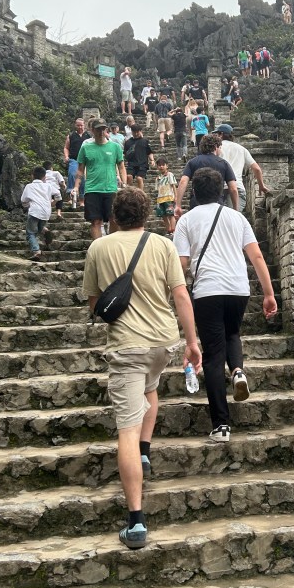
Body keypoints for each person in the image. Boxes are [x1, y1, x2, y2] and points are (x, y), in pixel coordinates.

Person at [82, 186, 201, 549]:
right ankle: (145, 453)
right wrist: (192, 342)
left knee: (126, 431)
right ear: (147, 214)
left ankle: (135, 521)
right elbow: (180, 294)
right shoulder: (163, 245)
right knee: (151, 388)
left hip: (127, 346)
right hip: (162, 343)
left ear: (114, 216)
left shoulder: (98, 247)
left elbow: (94, 303)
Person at [173, 167, 277, 442]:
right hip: (238, 289)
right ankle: (238, 370)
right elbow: (256, 256)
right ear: (221, 191)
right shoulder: (237, 217)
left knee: (213, 357)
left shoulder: (186, 221)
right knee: (232, 333)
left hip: (207, 291)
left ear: (194, 192)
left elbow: (181, 263)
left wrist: (172, 291)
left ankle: (221, 425)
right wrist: (269, 294)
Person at [74, 119, 126, 240]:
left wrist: (124, 184)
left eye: (103, 129)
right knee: (95, 221)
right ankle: (98, 247)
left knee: (114, 219)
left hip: (110, 189)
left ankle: (111, 245)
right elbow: (80, 169)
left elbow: (121, 167)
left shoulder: (115, 147)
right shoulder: (86, 148)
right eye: (98, 129)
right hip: (92, 189)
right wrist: (76, 187)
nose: (101, 132)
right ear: (92, 130)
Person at [175, 134, 239, 216]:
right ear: (215, 147)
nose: (220, 150)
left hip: (196, 203)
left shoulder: (192, 162)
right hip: (217, 204)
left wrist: (178, 205)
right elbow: (233, 188)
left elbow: (183, 182)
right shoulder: (224, 163)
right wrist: (236, 209)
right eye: (220, 147)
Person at [214, 124, 269, 214]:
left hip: (220, 188)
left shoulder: (216, 149)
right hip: (237, 187)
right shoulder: (242, 149)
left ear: (221, 134)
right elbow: (257, 169)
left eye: (217, 134)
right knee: (233, 217)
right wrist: (261, 185)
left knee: (220, 218)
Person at [20, 166, 60, 260]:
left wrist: (27, 205)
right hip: (46, 212)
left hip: (35, 211)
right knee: (39, 227)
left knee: (30, 233)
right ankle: (45, 231)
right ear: (44, 177)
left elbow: (23, 200)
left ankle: (36, 251)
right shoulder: (48, 186)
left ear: (32, 176)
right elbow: (58, 194)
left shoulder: (29, 186)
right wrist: (54, 202)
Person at [63, 118, 90, 206]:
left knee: (83, 178)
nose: (80, 127)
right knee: (72, 174)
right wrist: (66, 156)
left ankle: (82, 199)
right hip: (74, 159)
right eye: (78, 125)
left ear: (84, 125)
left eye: (81, 125)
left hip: (85, 161)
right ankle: (71, 196)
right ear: (75, 125)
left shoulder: (88, 136)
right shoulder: (71, 136)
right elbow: (66, 147)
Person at [123, 126, 155, 190]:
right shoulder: (128, 142)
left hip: (142, 164)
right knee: (129, 176)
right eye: (134, 132)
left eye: (137, 132)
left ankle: (141, 193)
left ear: (140, 131)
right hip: (131, 163)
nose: (136, 134)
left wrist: (152, 160)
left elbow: (149, 152)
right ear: (132, 132)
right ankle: (130, 192)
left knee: (139, 178)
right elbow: (125, 153)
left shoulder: (145, 141)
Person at [155, 156, 177, 236]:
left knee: (171, 214)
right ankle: (169, 230)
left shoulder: (170, 175)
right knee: (163, 215)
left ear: (166, 165)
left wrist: (176, 196)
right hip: (160, 199)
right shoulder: (158, 178)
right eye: (159, 165)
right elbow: (157, 189)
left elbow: (173, 186)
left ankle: (173, 230)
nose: (161, 167)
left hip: (169, 197)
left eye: (163, 165)